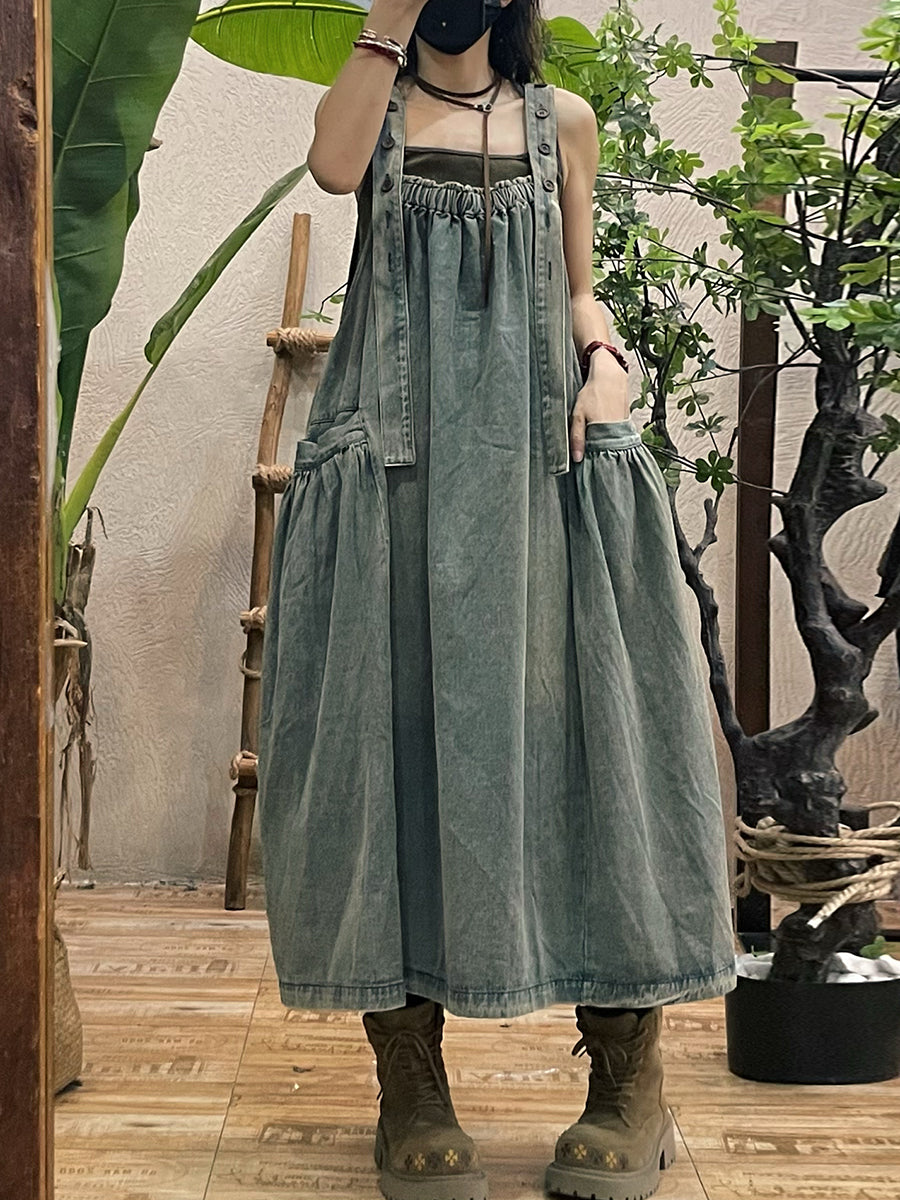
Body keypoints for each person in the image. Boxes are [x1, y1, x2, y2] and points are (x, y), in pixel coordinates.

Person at [256, 3, 737, 1199]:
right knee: (386, 758)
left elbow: (580, 292)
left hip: (541, 471)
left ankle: (628, 1076)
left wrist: (607, 368)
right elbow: (330, 166)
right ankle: (410, 1078)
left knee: (598, 743)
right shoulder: (374, 117)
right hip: (395, 480)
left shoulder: (561, 121)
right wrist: (384, 20)